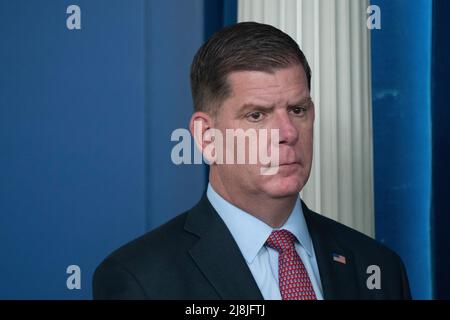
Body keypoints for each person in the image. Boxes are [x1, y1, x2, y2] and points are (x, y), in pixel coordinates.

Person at [92, 22, 411, 300]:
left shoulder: (379, 267)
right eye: (257, 115)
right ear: (207, 138)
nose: (287, 133)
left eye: (297, 110)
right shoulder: (140, 279)